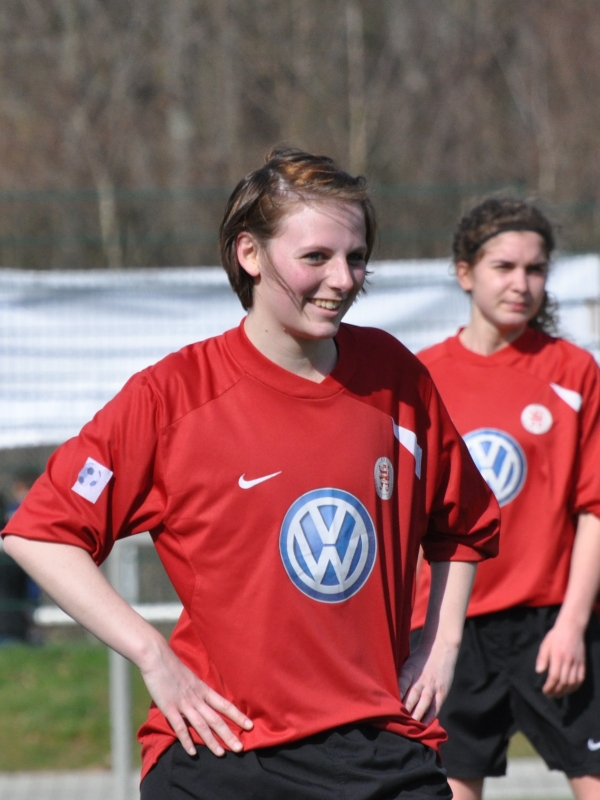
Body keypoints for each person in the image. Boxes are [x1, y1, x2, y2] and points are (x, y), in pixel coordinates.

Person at [2, 147, 499, 800]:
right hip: (224, 751)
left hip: (380, 745)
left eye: (355, 257)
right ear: (250, 254)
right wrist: (153, 655)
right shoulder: (173, 396)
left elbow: (462, 525)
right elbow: (39, 534)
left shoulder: (395, 375)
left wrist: (441, 644)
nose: (343, 279)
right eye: (315, 257)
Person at [411, 197, 600, 800]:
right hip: (449, 626)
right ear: (465, 272)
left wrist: (572, 624)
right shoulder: (421, 376)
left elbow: (594, 509)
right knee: (449, 790)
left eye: (535, 269)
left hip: (550, 626)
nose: (521, 283)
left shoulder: (573, 372)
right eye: (504, 267)